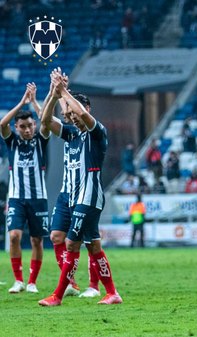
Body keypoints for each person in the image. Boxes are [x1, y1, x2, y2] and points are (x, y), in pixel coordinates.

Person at [38, 71, 122, 306]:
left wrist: (64, 90)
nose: (70, 115)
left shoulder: (97, 132)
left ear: (84, 110)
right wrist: (55, 96)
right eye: (68, 113)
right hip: (69, 196)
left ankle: (58, 294)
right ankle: (112, 293)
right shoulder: (71, 134)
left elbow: (83, 114)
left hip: (89, 195)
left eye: (73, 111)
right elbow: (45, 122)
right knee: (92, 245)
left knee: (72, 243)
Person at [1, 84, 50, 294]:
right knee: (14, 237)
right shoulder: (11, 142)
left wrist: (34, 103)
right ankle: (18, 280)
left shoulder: (41, 140)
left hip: (39, 198)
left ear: (34, 124)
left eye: (30, 125)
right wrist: (22, 102)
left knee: (36, 240)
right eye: (23, 126)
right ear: (17, 128)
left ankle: (32, 282)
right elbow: (2, 123)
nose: (28, 129)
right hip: (16, 199)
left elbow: (47, 122)